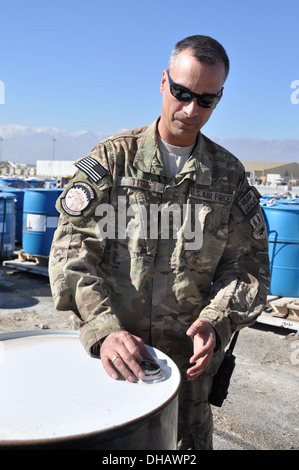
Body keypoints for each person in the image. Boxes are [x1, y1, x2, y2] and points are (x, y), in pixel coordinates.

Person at [49, 35, 270, 450]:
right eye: (182, 93)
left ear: (219, 98)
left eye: (205, 100)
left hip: (187, 385)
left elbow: (249, 264)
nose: (190, 110)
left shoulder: (228, 176)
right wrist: (104, 329)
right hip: (112, 369)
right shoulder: (114, 161)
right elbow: (71, 254)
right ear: (164, 81)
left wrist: (217, 320)